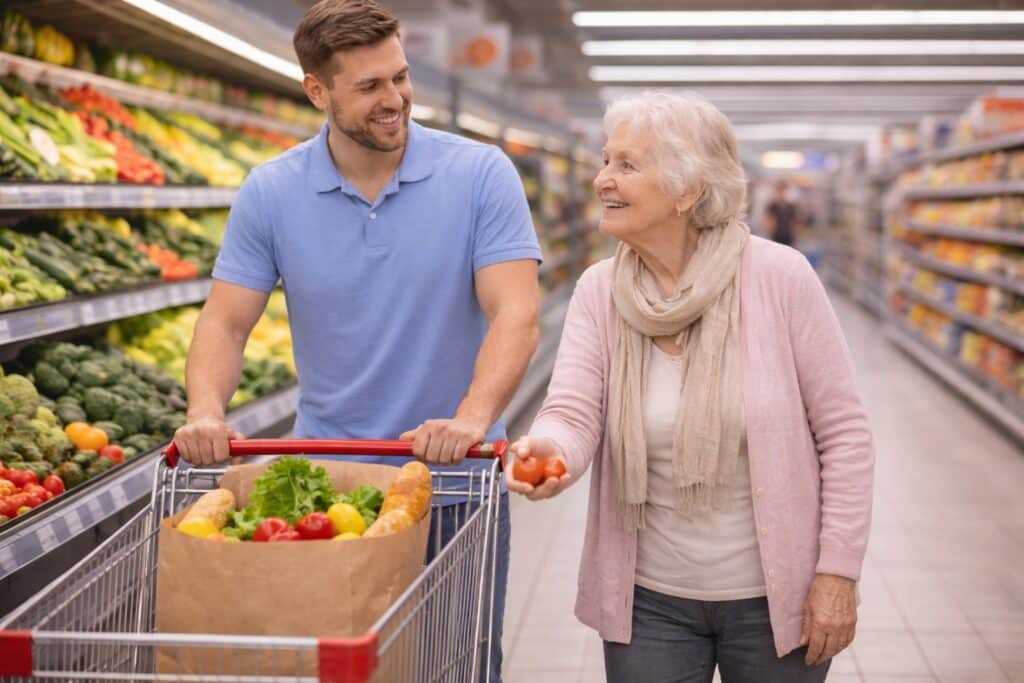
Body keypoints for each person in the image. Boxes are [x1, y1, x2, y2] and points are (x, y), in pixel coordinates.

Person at [172, 1, 541, 679]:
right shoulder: (272, 191)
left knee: (453, 668)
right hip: (328, 492)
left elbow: (515, 312)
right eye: (370, 86)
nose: (394, 99)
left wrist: (470, 419)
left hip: (452, 488)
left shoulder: (480, 174)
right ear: (317, 91)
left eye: (400, 77)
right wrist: (205, 411)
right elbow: (225, 321)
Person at [506, 92, 874, 683]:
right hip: (649, 600)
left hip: (777, 599)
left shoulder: (780, 278)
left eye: (627, 165)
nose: (602, 179)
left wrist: (838, 571)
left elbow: (845, 436)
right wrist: (548, 450)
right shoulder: (600, 291)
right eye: (606, 160)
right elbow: (572, 411)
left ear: (688, 190)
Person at [764, 179, 798, 246]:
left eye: (783, 190)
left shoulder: (790, 207)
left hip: (788, 236)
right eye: (779, 190)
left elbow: (794, 222)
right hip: (776, 236)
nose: (781, 192)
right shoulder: (772, 206)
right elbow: (768, 221)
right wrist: (769, 232)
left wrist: (794, 232)